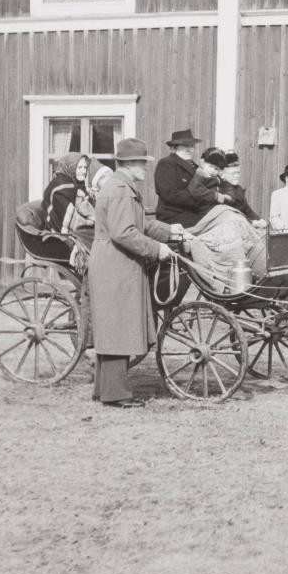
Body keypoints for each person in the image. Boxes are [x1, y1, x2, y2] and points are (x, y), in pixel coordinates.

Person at [88, 138, 178, 408]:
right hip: (115, 265)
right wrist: (156, 250)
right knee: (117, 328)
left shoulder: (122, 187)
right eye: (141, 163)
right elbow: (124, 233)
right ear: (127, 164)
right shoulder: (120, 190)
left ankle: (104, 389)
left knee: (114, 327)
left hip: (117, 264)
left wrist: (171, 232)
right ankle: (115, 394)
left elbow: (140, 224)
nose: (145, 168)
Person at [154, 127, 203, 227]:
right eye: (186, 145)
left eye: (192, 146)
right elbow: (170, 194)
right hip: (173, 216)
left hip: (193, 213)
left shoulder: (195, 166)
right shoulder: (166, 164)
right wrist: (201, 199)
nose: (191, 149)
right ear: (174, 148)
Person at [41, 152, 91, 234]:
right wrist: (93, 222)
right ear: (71, 167)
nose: (84, 171)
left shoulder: (77, 183)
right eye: (79, 167)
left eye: (85, 167)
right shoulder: (61, 185)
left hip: (74, 227)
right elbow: (70, 219)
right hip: (58, 233)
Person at [220, 151, 266, 228]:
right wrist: (252, 222)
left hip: (242, 225)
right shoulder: (222, 191)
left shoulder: (239, 189)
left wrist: (259, 219)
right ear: (222, 175)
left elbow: (247, 210)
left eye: (238, 173)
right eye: (233, 173)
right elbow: (233, 215)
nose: (237, 176)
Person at [187, 147, 235, 219]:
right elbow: (195, 189)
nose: (212, 170)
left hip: (219, 208)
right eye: (210, 166)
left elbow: (227, 188)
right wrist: (216, 196)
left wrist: (228, 196)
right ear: (203, 163)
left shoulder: (218, 178)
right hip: (206, 210)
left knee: (234, 215)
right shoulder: (200, 175)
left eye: (216, 169)